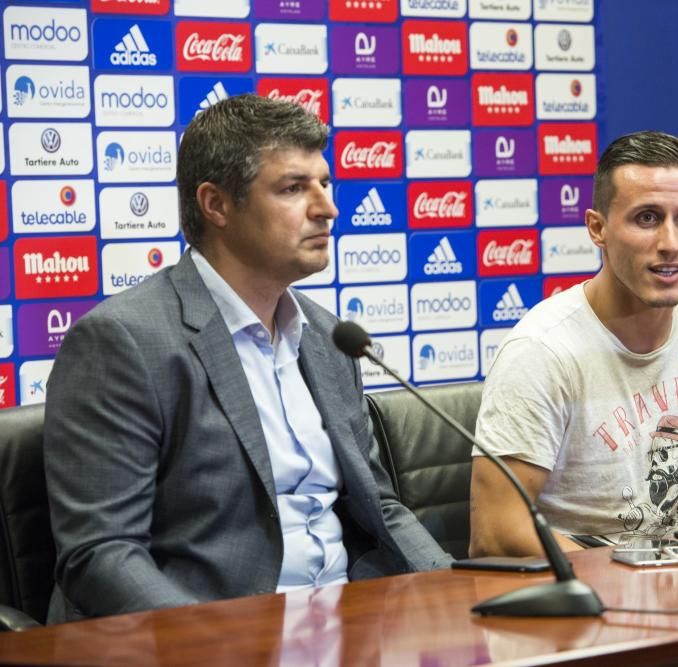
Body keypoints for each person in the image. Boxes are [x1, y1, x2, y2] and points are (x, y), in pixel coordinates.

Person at [43, 95, 452, 622]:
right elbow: (101, 554)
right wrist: (214, 644)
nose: (327, 207)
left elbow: (380, 507)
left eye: (324, 184)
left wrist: (454, 590)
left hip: (345, 624)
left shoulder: (330, 337)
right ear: (216, 205)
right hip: (209, 636)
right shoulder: (124, 342)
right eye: (293, 188)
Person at [470, 131, 678, 556]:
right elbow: (497, 533)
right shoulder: (541, 351)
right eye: (647, 218)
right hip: (578, 604)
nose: (670, 244)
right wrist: (632, 583)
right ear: (597, 228)